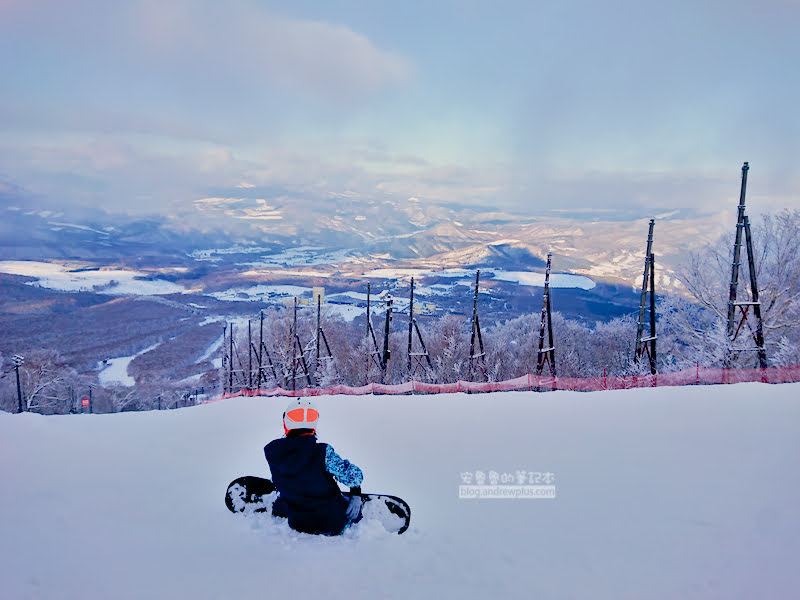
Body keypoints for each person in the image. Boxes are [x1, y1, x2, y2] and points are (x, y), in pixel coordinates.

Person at [264, 398, 364, 536]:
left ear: (286, 422)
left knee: (287, 498)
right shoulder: (323, 453)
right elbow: (352, 477)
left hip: (298, 523)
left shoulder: (273, 453)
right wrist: (356, 493)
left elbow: (282, 480)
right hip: (333, 523)